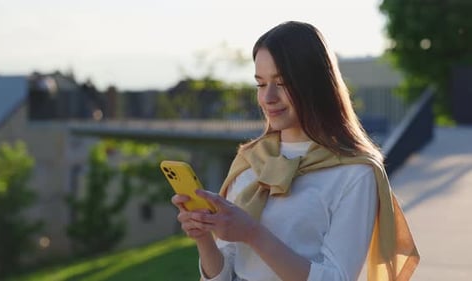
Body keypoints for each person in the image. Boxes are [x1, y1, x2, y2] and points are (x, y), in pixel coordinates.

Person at [171, 21, 419, 281]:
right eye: (260, 84)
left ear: (315, 84)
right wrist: (203, 238)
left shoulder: (354, 171)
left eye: (282, 83)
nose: (268, 97)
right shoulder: (251, 159)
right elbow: (226, 273)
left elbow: (337, 278)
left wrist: (253, 234)